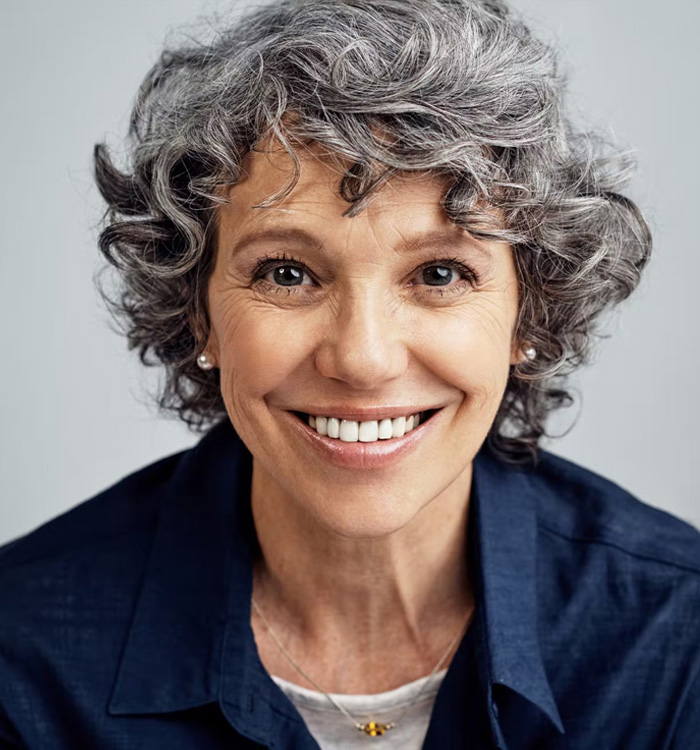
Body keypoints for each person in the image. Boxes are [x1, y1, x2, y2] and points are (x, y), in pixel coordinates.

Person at [1, 0, 698, 747]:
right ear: (196, 309)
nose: (363, 359)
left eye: (439, 271)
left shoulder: (677, 639)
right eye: (288, 272)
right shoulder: (23, 657)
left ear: (529, 315)